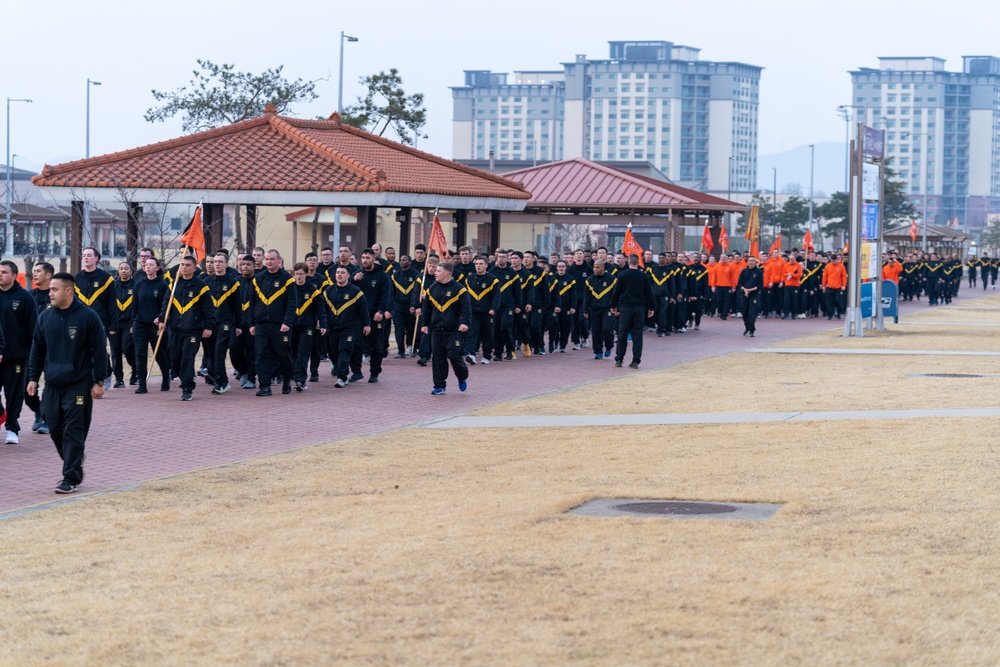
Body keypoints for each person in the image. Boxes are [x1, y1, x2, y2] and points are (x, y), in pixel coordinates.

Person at [27, 272, 109, 494]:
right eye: (50, 290)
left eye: (54, 289)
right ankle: (75, 457)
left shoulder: (88, 317)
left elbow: (99, 351)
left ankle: (70, 477)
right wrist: (33, 377)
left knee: (73, 430)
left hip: (79, 384)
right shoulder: (45, 317)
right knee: (54, 427)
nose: (50, 293)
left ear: (68, 291)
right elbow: (37, 349)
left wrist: (99, 380)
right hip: (53, 383)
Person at [157, 255, 215, 401]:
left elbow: (208, 309)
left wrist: (208, 326)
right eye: (182, 264)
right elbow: (166, 305)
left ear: (194, 268)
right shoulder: (174, 285)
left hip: (193, 330)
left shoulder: (201, 286)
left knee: (187, 359)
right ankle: (184, 378)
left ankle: (187, 388)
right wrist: (162, 319)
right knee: (174, 356)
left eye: (188, 265)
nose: (184, 267)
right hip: (175, 329)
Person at [419, 261, 472, 395]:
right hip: (436, 329)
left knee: (454, 356)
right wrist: (424, 324)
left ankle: (462, 376)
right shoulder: (431, 288)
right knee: (438, 358)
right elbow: (426, 309)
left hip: (454, 329)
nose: (435, 273)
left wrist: (465, 322)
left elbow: (467, 309)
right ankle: (439, 385)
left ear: (447, 273)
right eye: (435, 271)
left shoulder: (459, 289)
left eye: (438, 271)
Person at [249, 250, 297, 396]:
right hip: (262, 324)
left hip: (280, 325)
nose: (269, 262)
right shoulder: (258, 279)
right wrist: (251, 323)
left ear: (279, 261)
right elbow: (252, 302)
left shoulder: (287, 279)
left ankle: (287, 379)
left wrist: (287, 322)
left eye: (272, 259)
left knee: (282, 354)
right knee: (261, 354)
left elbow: (292, 303)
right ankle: (264, 386)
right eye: (267, 259)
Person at [0, 260, 38, 444]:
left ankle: (12, 428)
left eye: (4, 272)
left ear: (14, 276)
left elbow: (33, 330)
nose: (0, 274)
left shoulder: (24, 297)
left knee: (13, 394)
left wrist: (32, 357)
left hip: (15, 356)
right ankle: (2, 415)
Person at [75, 246, 118, 390]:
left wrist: (114, 324)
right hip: (81, 320)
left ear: (96, 259)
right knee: (84, 349)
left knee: (98, 348)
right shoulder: (77, 278)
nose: (86, 257)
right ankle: (88, 377)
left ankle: (105, 374)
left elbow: (112, 302)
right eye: (84, 255)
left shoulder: (105, 278)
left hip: (101, 320)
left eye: (89, 255)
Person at [323, 265, 370, 388]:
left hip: (349, 328)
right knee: (333, 353)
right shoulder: (328, 291)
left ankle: (342, 377)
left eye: (342, 272)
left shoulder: (356, 292)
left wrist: (367, 324)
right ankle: (342, 371)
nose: (339, 274)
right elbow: (323, 309)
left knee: (344, 350)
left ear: (348, 275)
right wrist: (321, 322)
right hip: (332, 328)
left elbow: (363, 309)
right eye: (337, 272)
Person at [131, 257, 170, 394]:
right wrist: (132, 322)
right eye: (146, 265)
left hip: (155, 326)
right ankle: (142, 384)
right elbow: (134, 306)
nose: (147, 267)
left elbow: (165, 306)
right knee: (140, 354)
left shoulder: (162, 285)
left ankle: (166, 377)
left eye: (151, 265)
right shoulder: (139, 284)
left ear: (157, 268)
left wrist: (161, 319)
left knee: (159, 353)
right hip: (140, 324)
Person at [610, 254, 654, 369]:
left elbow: (616, 292)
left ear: (628, 262)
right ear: (638, 262)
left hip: (625, 308)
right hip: (639, 308)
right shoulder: (644, 276)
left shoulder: (622, 275)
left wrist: (613, 306)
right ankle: (635, 361)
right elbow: (649, 293)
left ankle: (619, 359)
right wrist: (651, 308)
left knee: (622, 333)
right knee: (637, 335)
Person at [206, 251, 241, 394]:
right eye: (215, 262)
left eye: (220, 261)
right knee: (211, 354)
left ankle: (221, 382)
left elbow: (237, 306)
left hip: (225, 323)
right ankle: (220, 379)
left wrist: (238, 325)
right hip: (209, 325)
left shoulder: (233, 282)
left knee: (219, 352)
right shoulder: (207, 282)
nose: (217, 264)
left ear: (226, 264)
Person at [290, 263, 326, 391]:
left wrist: (323, 323)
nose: (298, 276)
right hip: (292, 325)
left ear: (306, 274)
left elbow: (320, 309)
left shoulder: (312, 290)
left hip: (307, 326)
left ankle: (300, 380)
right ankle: (294, 375)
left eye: (301, 274)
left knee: (303, 353)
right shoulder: (290, 288)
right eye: (296, 274)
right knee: (292, 352)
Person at [27, 262, 54, 433]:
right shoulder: (28, 296)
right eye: (33, 271)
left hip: (52, 349)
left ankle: (48, 419)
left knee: (51, 385)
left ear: (48, 275)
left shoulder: (56, 296)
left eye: (38, 271)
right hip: (31, 349)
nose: (34, 274)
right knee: (27, 388)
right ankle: (38, 411)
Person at [110, 261, 138, 387]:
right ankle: (119, 379)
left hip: (129, 323)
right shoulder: (113, 286)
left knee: (127, 348)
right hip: (115, 323)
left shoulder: (136, 286)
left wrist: (134, 323)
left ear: (130, 271)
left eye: (126, 268)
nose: (123, 271)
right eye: (121, 268)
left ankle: (135, 370)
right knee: (115, 351)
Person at [736, 256, 764, 336]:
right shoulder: (744, 271)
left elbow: (760, 285)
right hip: (744, 294)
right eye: (750, 261)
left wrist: (750, 290)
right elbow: (739, 283)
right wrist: (744, 289)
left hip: (754, 294)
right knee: (744, 313)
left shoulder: (758, 272)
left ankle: (751, 330)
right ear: (747, 262)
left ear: (755, 262)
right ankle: (747, 327)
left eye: (753, 261)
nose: (751, 262)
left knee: (752, 313)